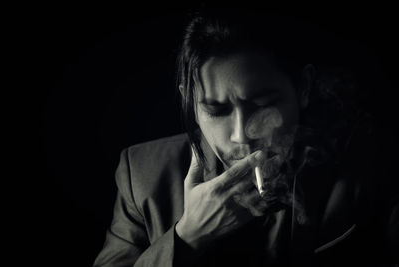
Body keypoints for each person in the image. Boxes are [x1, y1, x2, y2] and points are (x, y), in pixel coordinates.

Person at [93, 10, 398, 266]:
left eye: (263, 105)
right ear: (190, 103)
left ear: (303, 89)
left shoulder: (370, 164)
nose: (241, 135)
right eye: (216, 109)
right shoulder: (142, 176)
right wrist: (187, 238)